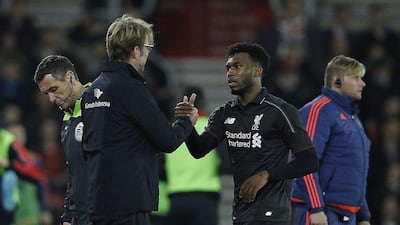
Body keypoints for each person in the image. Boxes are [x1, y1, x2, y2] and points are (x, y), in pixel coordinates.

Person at [175, 42, 319, 225]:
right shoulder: (224, 113)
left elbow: (309, 161)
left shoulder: (280, 111)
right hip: (241, 214)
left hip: (273, 216)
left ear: (257, 71)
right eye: (228, 68)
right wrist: (187, 123)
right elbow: (198, 150)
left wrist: (267, 174)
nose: (230, 73)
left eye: (237, 66)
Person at [81, 14, 197, 225]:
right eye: (148, 48)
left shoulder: (93, 90)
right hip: (128, 201)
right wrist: (187, 121)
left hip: (97, 200)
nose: (148, 54)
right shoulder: (131, 89)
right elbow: (168, 140)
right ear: (135, 50)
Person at [291, 55, 371, 225]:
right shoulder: (318, 110)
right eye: (355, 78)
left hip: (348, 214)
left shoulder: (353, 119)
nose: (362, 83)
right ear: (337, 81)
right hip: (322, 213)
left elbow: (355, 170)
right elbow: (305, 161)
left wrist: (363, 215)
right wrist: (316, 208)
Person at [34, 55, 91, 225]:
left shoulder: (100, 107)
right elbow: (75, 174)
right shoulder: (68, 119)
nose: (51, 99)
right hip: (81, 217)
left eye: (53, 89)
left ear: (70, 77)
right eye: (46, 94)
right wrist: (67, 217)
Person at [165, 85, 222, 225]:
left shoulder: (172, 130)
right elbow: (226, 164)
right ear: (204, 103)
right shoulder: (212, 129)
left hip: (176, 198)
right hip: (204, 197)